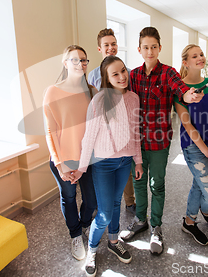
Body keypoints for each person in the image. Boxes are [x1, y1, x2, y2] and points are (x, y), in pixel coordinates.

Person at [120, 27, 204, 255]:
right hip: (136, 142)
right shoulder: (134, 75)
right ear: (139, 49)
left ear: (159, 48)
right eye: (145, 47)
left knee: (157, 185)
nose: (150, 51)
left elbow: (181, 89)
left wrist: (190, 95)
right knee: (138, 183)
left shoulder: (168, 73)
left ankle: (156, 227)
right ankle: (140, 221)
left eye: (154, 47)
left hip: (159, 143)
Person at [77, 55, 143, 277]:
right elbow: (89, 136)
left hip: (125, 162)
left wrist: (138, 161)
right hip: (104, 164)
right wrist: (82, 167)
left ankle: (113, 241)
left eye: (123, 71)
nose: (122, 76)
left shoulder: (133, 98)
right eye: (115, 74)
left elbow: (135, 132)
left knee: (116, 204)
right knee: (104, 213)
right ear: (106, 77)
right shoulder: (99, 100)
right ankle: (92, 249)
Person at [43, 45, 97, 261]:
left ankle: (84, 225)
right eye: (74, 60)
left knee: (92, 201)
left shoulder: (91, 91)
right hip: (63, 159)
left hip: (88, 160)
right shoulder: (53, 91)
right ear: (65, 63)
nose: (80, 64)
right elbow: (50, 130)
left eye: (83, 60)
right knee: (69, 197)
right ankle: (75, 234)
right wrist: (59, 163)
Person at [174, 44, 208, 245]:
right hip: (194, 147)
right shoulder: (180, 90)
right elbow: (186, 124)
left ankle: (189, 221)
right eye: (194, 56)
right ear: (185, 62)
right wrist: (204, 149)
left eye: (201, 54)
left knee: (199, 183)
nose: (200, 57)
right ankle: (206, 209)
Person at [87, 28, 137, 215]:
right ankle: (103, 205)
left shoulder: (128, 72)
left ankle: (130, 202)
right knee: (103, 174)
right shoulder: (92, 76)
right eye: (106, 45)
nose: (111, 48)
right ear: (99, 49)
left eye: (113, 44)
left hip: (124, 134)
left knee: (126, 172)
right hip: (102, 137)